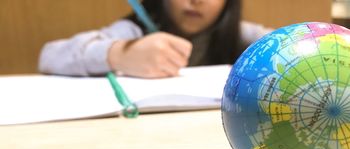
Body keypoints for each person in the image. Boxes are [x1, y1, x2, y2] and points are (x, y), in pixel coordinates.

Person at [38, 0, 272, 78]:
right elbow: (49, 56)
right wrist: (119, 54)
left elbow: (290, 43)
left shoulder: (241, 35)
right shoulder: (135, 31)